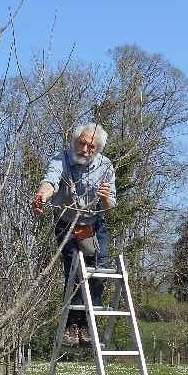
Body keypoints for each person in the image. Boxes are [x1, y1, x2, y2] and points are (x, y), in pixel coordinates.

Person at [33, 123, 116, 345]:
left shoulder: (106, 166)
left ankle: (88, 325)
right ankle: (71, 325)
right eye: (83, 143)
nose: (86, 150)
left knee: (98, 270)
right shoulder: (61, 159)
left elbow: (110, 206)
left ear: (97, 149)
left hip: (93, 225)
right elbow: (50, 181)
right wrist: (42, 196)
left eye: (92, 147)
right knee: (74, 272)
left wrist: (106, 197)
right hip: (66, 222)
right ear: (75, 141)